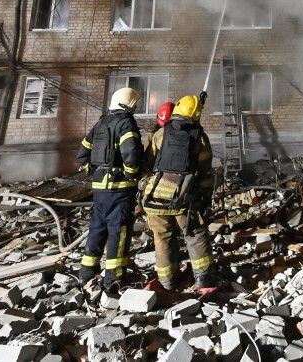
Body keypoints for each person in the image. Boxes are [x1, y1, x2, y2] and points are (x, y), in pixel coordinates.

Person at [141, 93, 215, 290]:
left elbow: (147, 163)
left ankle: (167, 282)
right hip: (184, 198)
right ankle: (203, 278)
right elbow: (205, 171)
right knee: (195, 234)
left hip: (155, 197)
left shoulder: (160, 133)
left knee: (162, 237)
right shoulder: (200, 137)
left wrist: (144, 187)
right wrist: (205, 197)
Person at [77, 87, 143, 292]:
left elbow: (83, 151)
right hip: (119, 187)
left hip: (99, 188)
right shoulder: (125, 122)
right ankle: (113, 279)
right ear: (129, 103)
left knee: (97, 227)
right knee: (118, 231)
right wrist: (132, 173)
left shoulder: (101, 122)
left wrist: (91, 170)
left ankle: (87, 272)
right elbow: (130, 151)